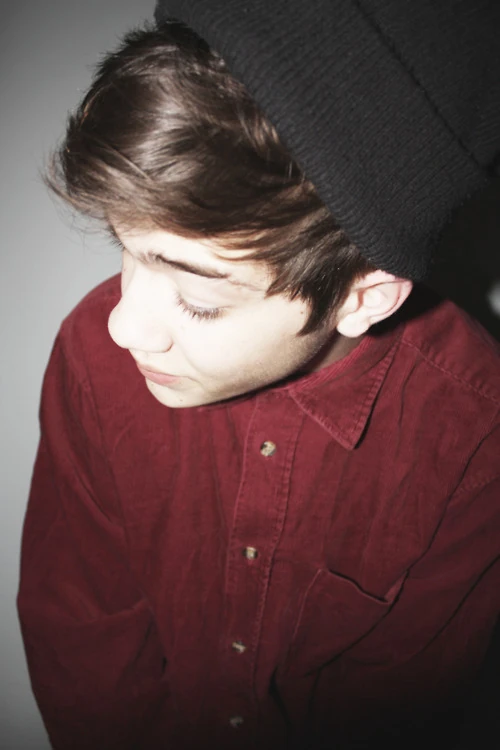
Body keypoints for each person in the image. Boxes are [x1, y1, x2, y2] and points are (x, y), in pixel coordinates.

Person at [17, 1, 500, 749]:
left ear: (363, 298)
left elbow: (399, 714)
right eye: (126, 248)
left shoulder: (475, 428)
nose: (122, 326)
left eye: (200, 302)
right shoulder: (92, 349)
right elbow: (83, 638)